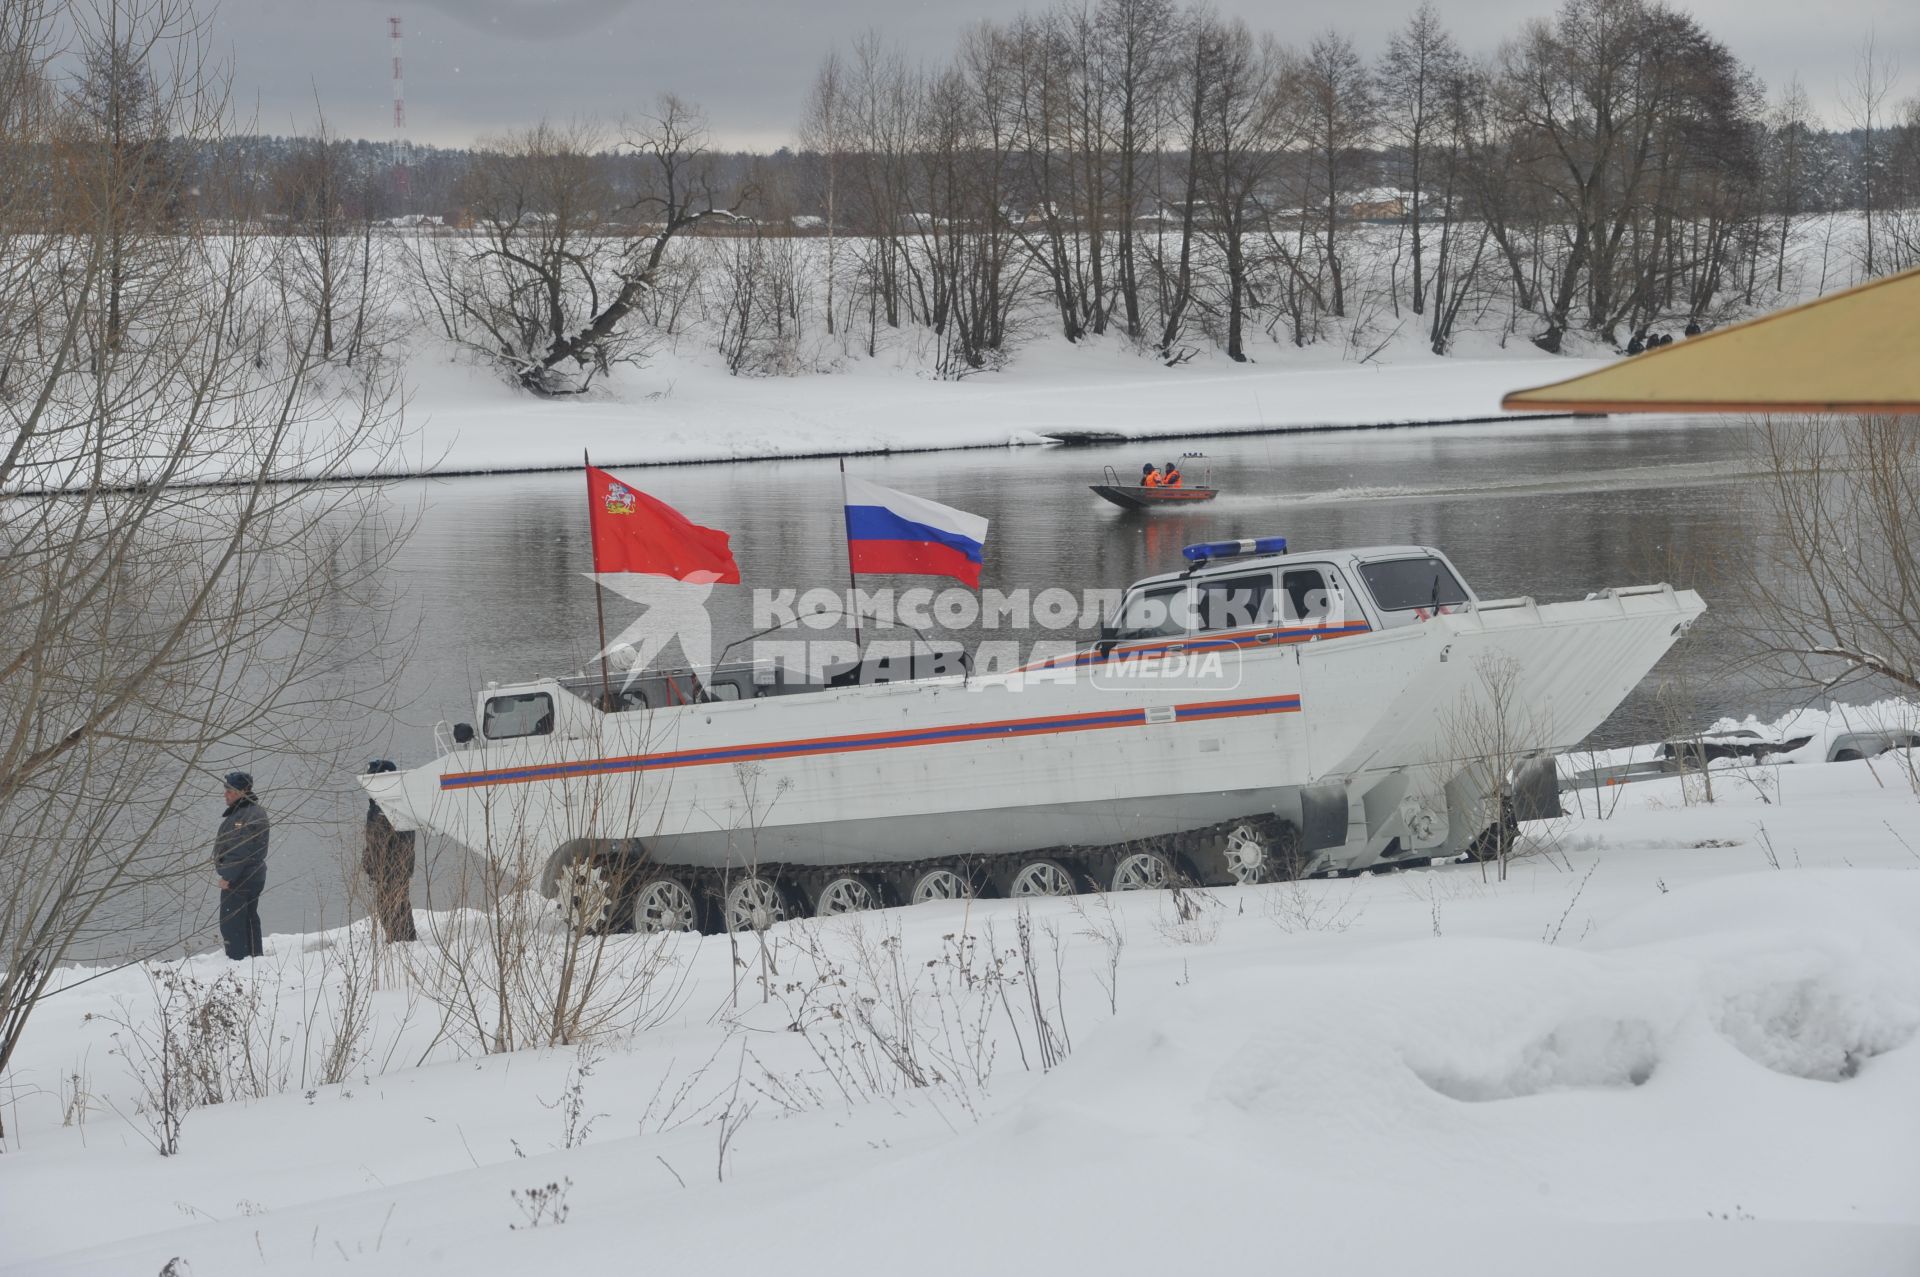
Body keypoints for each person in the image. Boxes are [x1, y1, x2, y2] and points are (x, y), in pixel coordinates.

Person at [213, 771, 269, 960]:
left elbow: (239, 851)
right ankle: (254, 956)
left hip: (241, 878)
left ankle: (239, 961)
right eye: (225, 790)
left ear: (243, 791)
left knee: (232, 923)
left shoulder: (246, 816)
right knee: (248, 918)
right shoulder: (248, 812)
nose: (225, 794)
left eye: (230, 790)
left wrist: (227, 877)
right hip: (252, 875)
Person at [362, 760, 418, 942]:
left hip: (391, 869)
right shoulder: (392, 804)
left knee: (393, 906)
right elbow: (374, 842)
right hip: (392, 868)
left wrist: (376, 865)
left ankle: (402, 941)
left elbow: (384, 843)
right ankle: (400, 939)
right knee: (393, 905)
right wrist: (369, 860)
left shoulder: (387, 808)